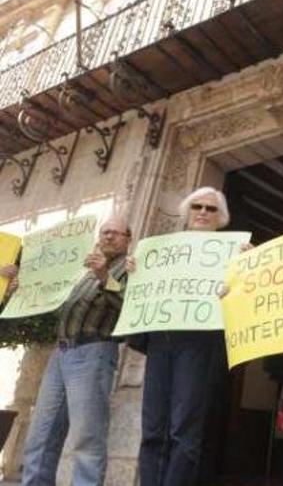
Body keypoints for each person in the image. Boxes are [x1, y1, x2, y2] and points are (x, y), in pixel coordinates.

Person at [19, 216, 131, 486]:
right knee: (41, 433)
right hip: (61, 354)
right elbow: (49, 295)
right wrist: (19, 285)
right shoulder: (82, 269)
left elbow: (128, 307)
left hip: (94, 352)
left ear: (128, 239)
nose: (108, 237)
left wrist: (105, 276)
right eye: (105, 232)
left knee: (87, 436)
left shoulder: (128, 269)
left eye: (116, 233)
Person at [136, 187, 232, 486]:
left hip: (199, 343)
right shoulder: (161, 252)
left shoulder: (233, 254)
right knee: (152, 429)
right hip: (160, 341)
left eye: (211, 209)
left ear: (221, 218)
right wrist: (135, 271)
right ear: (187, 212)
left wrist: (248, 269)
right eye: (197, 206)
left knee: (184, 430)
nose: (203, 212)